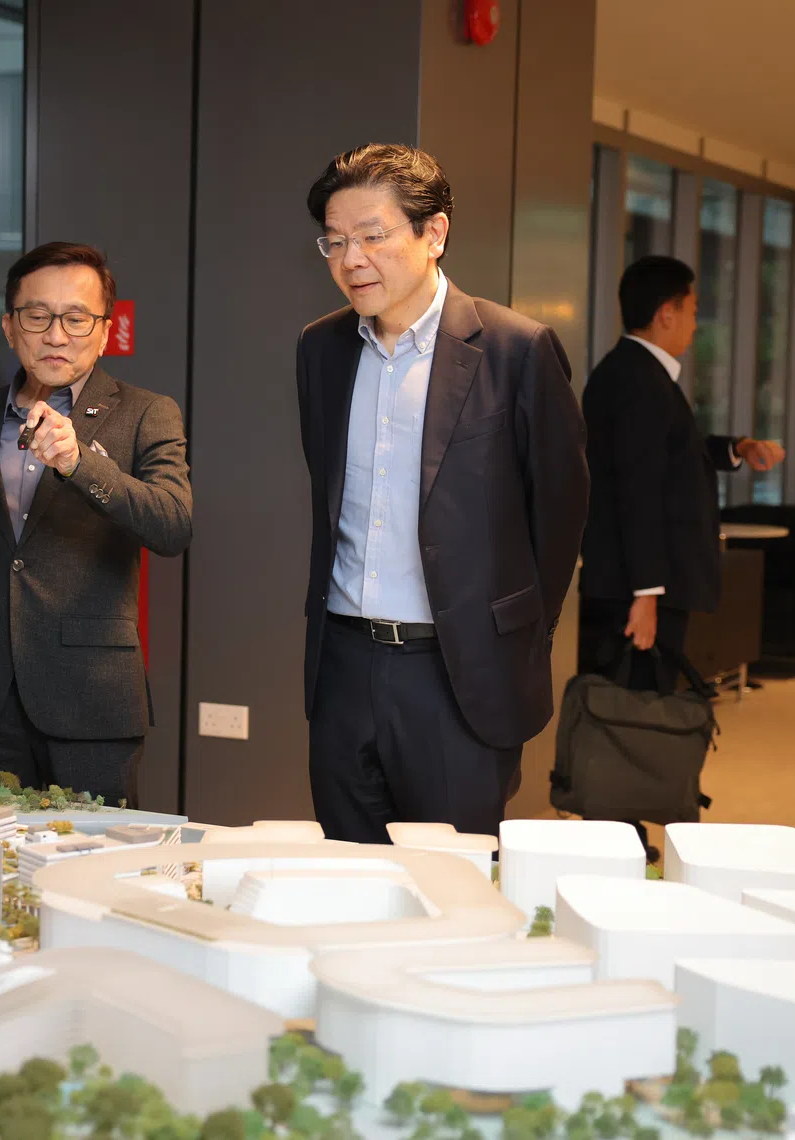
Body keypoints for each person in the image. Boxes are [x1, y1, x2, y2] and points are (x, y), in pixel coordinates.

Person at [297, 143, 589, 844]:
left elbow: (561, 516)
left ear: (434, 234)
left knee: (450, 888)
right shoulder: (321, 349)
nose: (351, 260)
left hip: (458, 678)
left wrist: (506, 638)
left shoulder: (517, 349)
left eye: (372, 236)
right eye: (334, 242)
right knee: (347, 874)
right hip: (343, 667)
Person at [0, 242, 192, 804]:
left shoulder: (146, 413)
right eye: (37, 316)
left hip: (91, 699)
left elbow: (172, 526)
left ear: (104, 329)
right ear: (10, 326)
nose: (56, 335)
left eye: (76, 318)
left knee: (93, 872)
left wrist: (78, 462)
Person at [579, 256, 784, 858]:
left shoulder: (641, 373)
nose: (696, 323)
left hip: (646, 584)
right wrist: (646, 593)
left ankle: (624, 830)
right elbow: (637, 492)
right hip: (639, 588)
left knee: (640, 702)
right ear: (667, 312)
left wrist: (737, 449)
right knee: (630, 708)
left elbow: (674, 455)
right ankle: (618, 834)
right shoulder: (636, 378)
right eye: (692, 310)